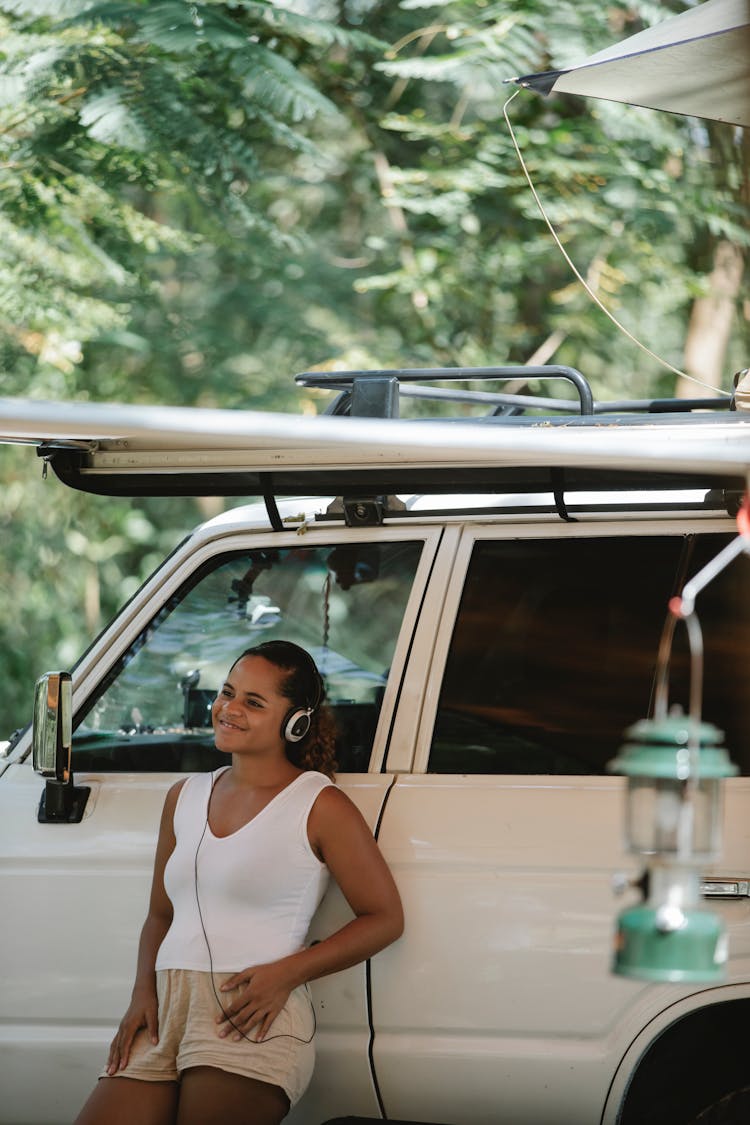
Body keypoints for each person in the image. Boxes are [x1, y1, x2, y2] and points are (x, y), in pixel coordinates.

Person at [74, 639, 404, 1125]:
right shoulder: (182, 797)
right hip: (164, 1009)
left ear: (295, 723)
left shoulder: (319, 804)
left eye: (253, 702)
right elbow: (161, 915)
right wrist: (141, 992)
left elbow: (385, 918)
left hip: (248, 1013)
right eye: (227, 692)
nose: (229, 709)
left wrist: (289, 973)